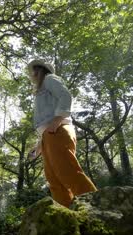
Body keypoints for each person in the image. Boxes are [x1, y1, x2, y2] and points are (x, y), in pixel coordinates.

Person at [27, 59, 97, 208]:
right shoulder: (41, 89)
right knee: (54, 180)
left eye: (33, 71)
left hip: (59, 130)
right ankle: (68, 215)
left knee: (68, 172)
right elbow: (46, 124)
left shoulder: (49, 79)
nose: (31, 74)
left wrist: (58, 119)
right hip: (50, 134)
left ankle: (97, 207)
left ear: (39, 70)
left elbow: (65, 96)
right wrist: (39, 148)